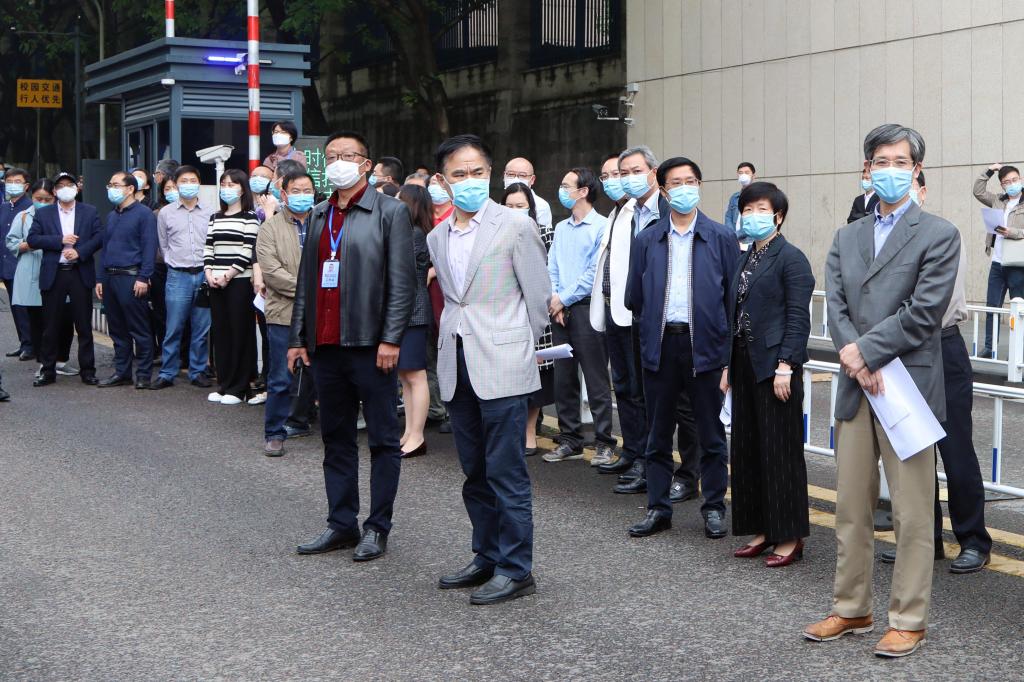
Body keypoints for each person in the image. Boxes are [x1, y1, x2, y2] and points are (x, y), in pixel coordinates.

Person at [804, 124, 960, 659]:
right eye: (880, 161)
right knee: (851, 506)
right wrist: (855, 355)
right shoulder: (847, 236)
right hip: (857, 386)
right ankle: (851, 607)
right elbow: (837, 306)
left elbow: (924, 312)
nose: (890, 169)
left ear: (916, 170)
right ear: (867, 169)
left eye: (900, 161)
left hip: (906, 386)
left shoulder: (939, 233)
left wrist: (865, 353)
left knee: (913, 513)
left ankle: (909, 619)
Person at [427, 134, 550, 605]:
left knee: (506, 472)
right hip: (456, 362)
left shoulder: (515, 225)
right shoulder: (437, 236)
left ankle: (516, 569)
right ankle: (487, 555)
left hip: (503, 363)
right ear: (443, 181)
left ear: (490, 174)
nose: (470, 181)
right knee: (474, 471)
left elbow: (538, 299)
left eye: (477, 172)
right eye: (459, 174)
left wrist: (515, 346)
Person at [288, 130, 415, 562]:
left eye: (346, 155)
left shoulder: (390, 212)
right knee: (336, 439)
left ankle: (377, 527)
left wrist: (391, 338)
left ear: (366, 163)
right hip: (325, 345)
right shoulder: (319, 214)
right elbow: (306, 282)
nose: (337, 162)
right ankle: (341, 523)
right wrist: (298, 338)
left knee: (382, 440)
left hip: (370, 344)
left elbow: (402, 283)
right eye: (331, 156)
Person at [877, 171, 992, 573]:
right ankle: (925, 541)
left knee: (955, 450)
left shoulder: (942, 235)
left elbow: (929, 303)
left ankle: (973, 540)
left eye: (906, 178)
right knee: (912, 452)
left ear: (922, 191)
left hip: (940, 346)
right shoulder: (879, 241)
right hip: (899, 351)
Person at [625, 156, 739, 541]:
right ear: (663, 188)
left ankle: (714, 507)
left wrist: (727, 355)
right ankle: (658, 508)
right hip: (660, 345)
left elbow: (732, 301)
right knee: (657, 433)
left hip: (705, 346)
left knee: (710, 433)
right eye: (676, 183)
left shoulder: (721, 237)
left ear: (700, 186)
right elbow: (634, 297)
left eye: (690, 181)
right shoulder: (647, 239)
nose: (684, 188)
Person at [723, 181, 814, 567]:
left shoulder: (791, 258)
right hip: (744, 362)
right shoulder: (746, 257)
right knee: (747, 448)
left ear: (778, 216)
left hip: (775, 366)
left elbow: (798, 317)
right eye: (747, 209)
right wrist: (728, 366)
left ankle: (789, 535)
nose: (753, 216)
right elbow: (734, 313)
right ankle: (761, 527)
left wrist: (786, 366)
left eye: (762, 209)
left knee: (780, 451)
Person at [616, 146, 703, 500]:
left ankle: (689, 474)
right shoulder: (628, 213)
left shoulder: (674, 211)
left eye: (636, 171)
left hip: (683, 325)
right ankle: (651, 468)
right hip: (646, 321)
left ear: (654, 175)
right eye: (624, 173)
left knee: (686, 407)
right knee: (649, 400)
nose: (629, 178)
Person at [542, 167, 616, 466]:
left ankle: (605, 442)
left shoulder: (602, 226)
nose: (562, 190)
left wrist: (563, 298)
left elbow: (593, 273)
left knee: (596, 379)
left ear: (583, 191)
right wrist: (556, 300)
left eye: (566, 186)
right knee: (564, 380)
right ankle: (569, 439)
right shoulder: (561, 228)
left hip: (587, 309)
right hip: (560, 310)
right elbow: (552, 266)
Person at [255, 170, 316, 456]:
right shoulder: (270, 228)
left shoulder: (324, 221)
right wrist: (312, 290)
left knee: (326, 374)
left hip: (321, 312)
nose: (302, 196)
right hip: (283, 312)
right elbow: (272, 273)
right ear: (284, 194)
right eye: (296, 191)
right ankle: (274, 433)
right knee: (281, 377)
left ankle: (322, 427)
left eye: (307, 190)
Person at [27, 172, 102, 387]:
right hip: (55, 272)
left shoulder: (89, 211)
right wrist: (59, 240)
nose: (65, 188)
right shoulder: (44, 213)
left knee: (84, 326)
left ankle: (88, 370)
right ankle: (48, 370)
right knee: (50, 325)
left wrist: (80, 252)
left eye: (70, 184)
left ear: (77, 189)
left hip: (79, 272)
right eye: (60, 185)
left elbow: (99, 237)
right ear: (54, 191)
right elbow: (33, 239)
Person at [589, 154, 639, 473]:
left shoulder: (639, 213)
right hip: (610, 309)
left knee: (636, 389)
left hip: (630, 314)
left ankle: (641, 457)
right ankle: (630, 451)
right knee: (621, 386)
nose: (611, 181)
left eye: (616, 174)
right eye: (605, 176)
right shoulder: (615, 212)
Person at [503, 181, 554, 456]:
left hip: (535, 310)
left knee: (537, 375)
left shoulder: (544, 232)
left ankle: (530, 431)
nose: (514, 210)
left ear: (531, 208)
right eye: (509, 205)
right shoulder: (494, 235)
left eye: (520, 206)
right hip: (504, 313)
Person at [151, 165, 214, 389]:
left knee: (201, 328)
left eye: (192, 180)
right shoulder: (165, 213)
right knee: (174, 327)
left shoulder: (210, 211)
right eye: (183, 181)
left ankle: (197, 371)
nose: (188, 185)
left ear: (199, 183)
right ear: (176, 185)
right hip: (178, 276)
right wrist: (173, 262)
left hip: (204, 274)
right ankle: (167, 372)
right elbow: (163, 244)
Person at [95, 172, 158, 389]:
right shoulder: (112, 215)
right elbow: (105, 249)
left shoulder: (144, 214)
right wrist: (100, 278)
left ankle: (143, 375)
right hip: (110, 277)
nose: (111, 189)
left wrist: (144, 277)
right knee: (117, 329)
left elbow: (149, 248)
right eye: (110, 184)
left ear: (130, 189)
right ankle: (122, 373)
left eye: (115, 185)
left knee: (139, 329)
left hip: (131, 277)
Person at [203, 169, 260, 405]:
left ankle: (240, 387)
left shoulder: (250, 217)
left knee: (240, 332)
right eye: (224, 184)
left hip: (239, 281)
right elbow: (208, 247)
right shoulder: (215, 217)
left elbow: (248, 251)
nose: (227, 188)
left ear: (243, 189)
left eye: (232, 184)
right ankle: (224, 384)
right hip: (215, 282)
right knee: (221, 333)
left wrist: (228, 274)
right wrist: (209, 273)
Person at [395, 183, 434, 458]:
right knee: (405, 376)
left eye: (399, 200)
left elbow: (403, 271)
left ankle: (417, 435)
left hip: (413, 310)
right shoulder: (408, 231)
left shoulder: (416, 233)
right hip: (404, 310)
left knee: (415, 375)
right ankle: (409, 432)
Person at [972, 163, 1023, 358]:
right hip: (997, 262)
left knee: (1019, 311)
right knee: (992, 307)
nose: (1011, 184)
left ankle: (1018, 352)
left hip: (1018, 264)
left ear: (1021, 180)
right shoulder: (997, 200)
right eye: (1007, 182)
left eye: (1014, 180)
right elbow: (978, 191)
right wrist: (990, 170)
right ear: (1002, 185)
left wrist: (1012, 232)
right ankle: (990, 348)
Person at [5, 179, 54, 365]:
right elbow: (11, 242)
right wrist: (26, 245)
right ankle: (41, 360)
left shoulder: (60, 215)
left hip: (54, 270)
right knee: (34, 317)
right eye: (38, 198)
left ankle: (55, 358)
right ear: (31, 196)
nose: (42, 202)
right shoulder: (23, 216)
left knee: (55, 318)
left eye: (47, 199)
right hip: (29, 269)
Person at [426, 175, 455, 433]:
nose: (435, 190)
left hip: (448, 294)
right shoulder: (424, 217)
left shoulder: (457, 217)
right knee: (431, 352)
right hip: (428, 296)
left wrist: (434, 270)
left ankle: (452, 410)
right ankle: (436, 407)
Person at [1, 167, 34, 360]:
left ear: (26, 186)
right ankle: (24, 342)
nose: (12, 185)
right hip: (6, 265)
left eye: (17, 181)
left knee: (25, 308)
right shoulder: (4, 207)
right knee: (15, 307)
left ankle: (31, 345)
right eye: (9, 181)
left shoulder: (31, 207)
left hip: (23, 265)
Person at [502, 157, 552, 228]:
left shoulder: (541, 206)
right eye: (511, 174)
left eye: (522, 175)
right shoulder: (500, 204)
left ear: (532, 179)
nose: (516, 179)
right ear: (504, 176)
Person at [723, 162, 756, 243]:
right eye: (740, 173)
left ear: (753, 176)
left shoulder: (758, 197)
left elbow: (753, 222)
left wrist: (735, 235)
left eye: (747, 172)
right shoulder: (735, 197)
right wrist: (731, 234)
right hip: (734, 241)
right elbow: (728, 217)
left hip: (750, 241)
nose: (743, 175)